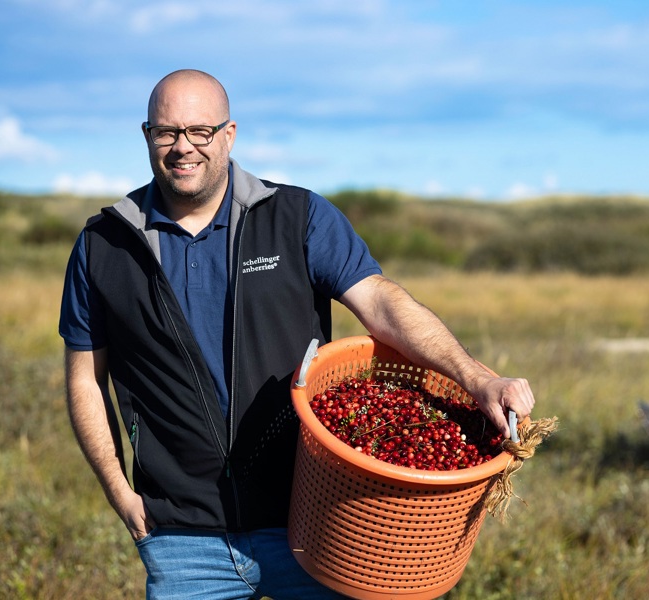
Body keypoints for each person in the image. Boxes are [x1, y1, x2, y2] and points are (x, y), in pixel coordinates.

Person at [59, 69, 535, 599]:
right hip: (181, 537)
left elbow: (380, 302)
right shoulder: (105, 243)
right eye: (166, 132)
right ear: (147, 136)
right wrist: (119, 491)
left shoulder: (296, 216)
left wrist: (476, 378)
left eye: (200, 131)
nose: (183, 147)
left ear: (229, 134)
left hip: (315, 520)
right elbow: (85, 378)